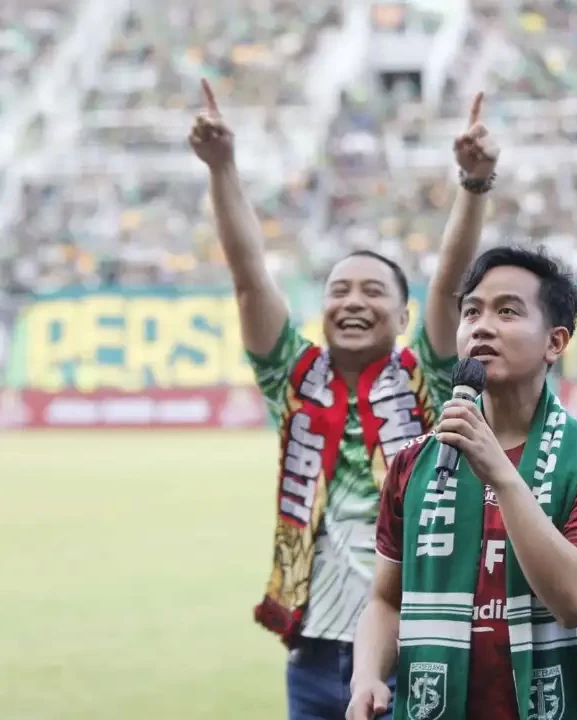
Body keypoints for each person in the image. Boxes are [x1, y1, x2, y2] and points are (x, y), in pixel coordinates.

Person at [188, 79, 501, 720]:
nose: (353, 301)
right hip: (313, 648)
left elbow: (449, 287)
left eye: (372, 291)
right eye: (339, 290)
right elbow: (249, 277)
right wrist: (222, 168)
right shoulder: (292, 377)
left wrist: (472, 187)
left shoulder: (428, 378)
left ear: (403, 313)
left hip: (414, 641)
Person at [347, 246, 577, 720]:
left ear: (555, 342)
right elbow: (385, 599)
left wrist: (501, 473)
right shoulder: (413, 465)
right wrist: (367, 677)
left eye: (507, 311)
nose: (482, 325)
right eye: (471, 311)